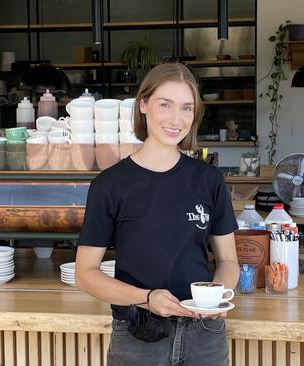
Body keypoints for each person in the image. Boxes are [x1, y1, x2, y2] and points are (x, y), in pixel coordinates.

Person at [76, 62, 239, 366]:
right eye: (165, 105)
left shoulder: (209, 179)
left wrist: (219, 295)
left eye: (186, 108)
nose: (176, 119)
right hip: (139, 334)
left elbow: (228, 261)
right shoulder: (109, 185)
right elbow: (86, 274)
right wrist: (146, 298)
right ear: (143, 104)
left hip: (205, 336)